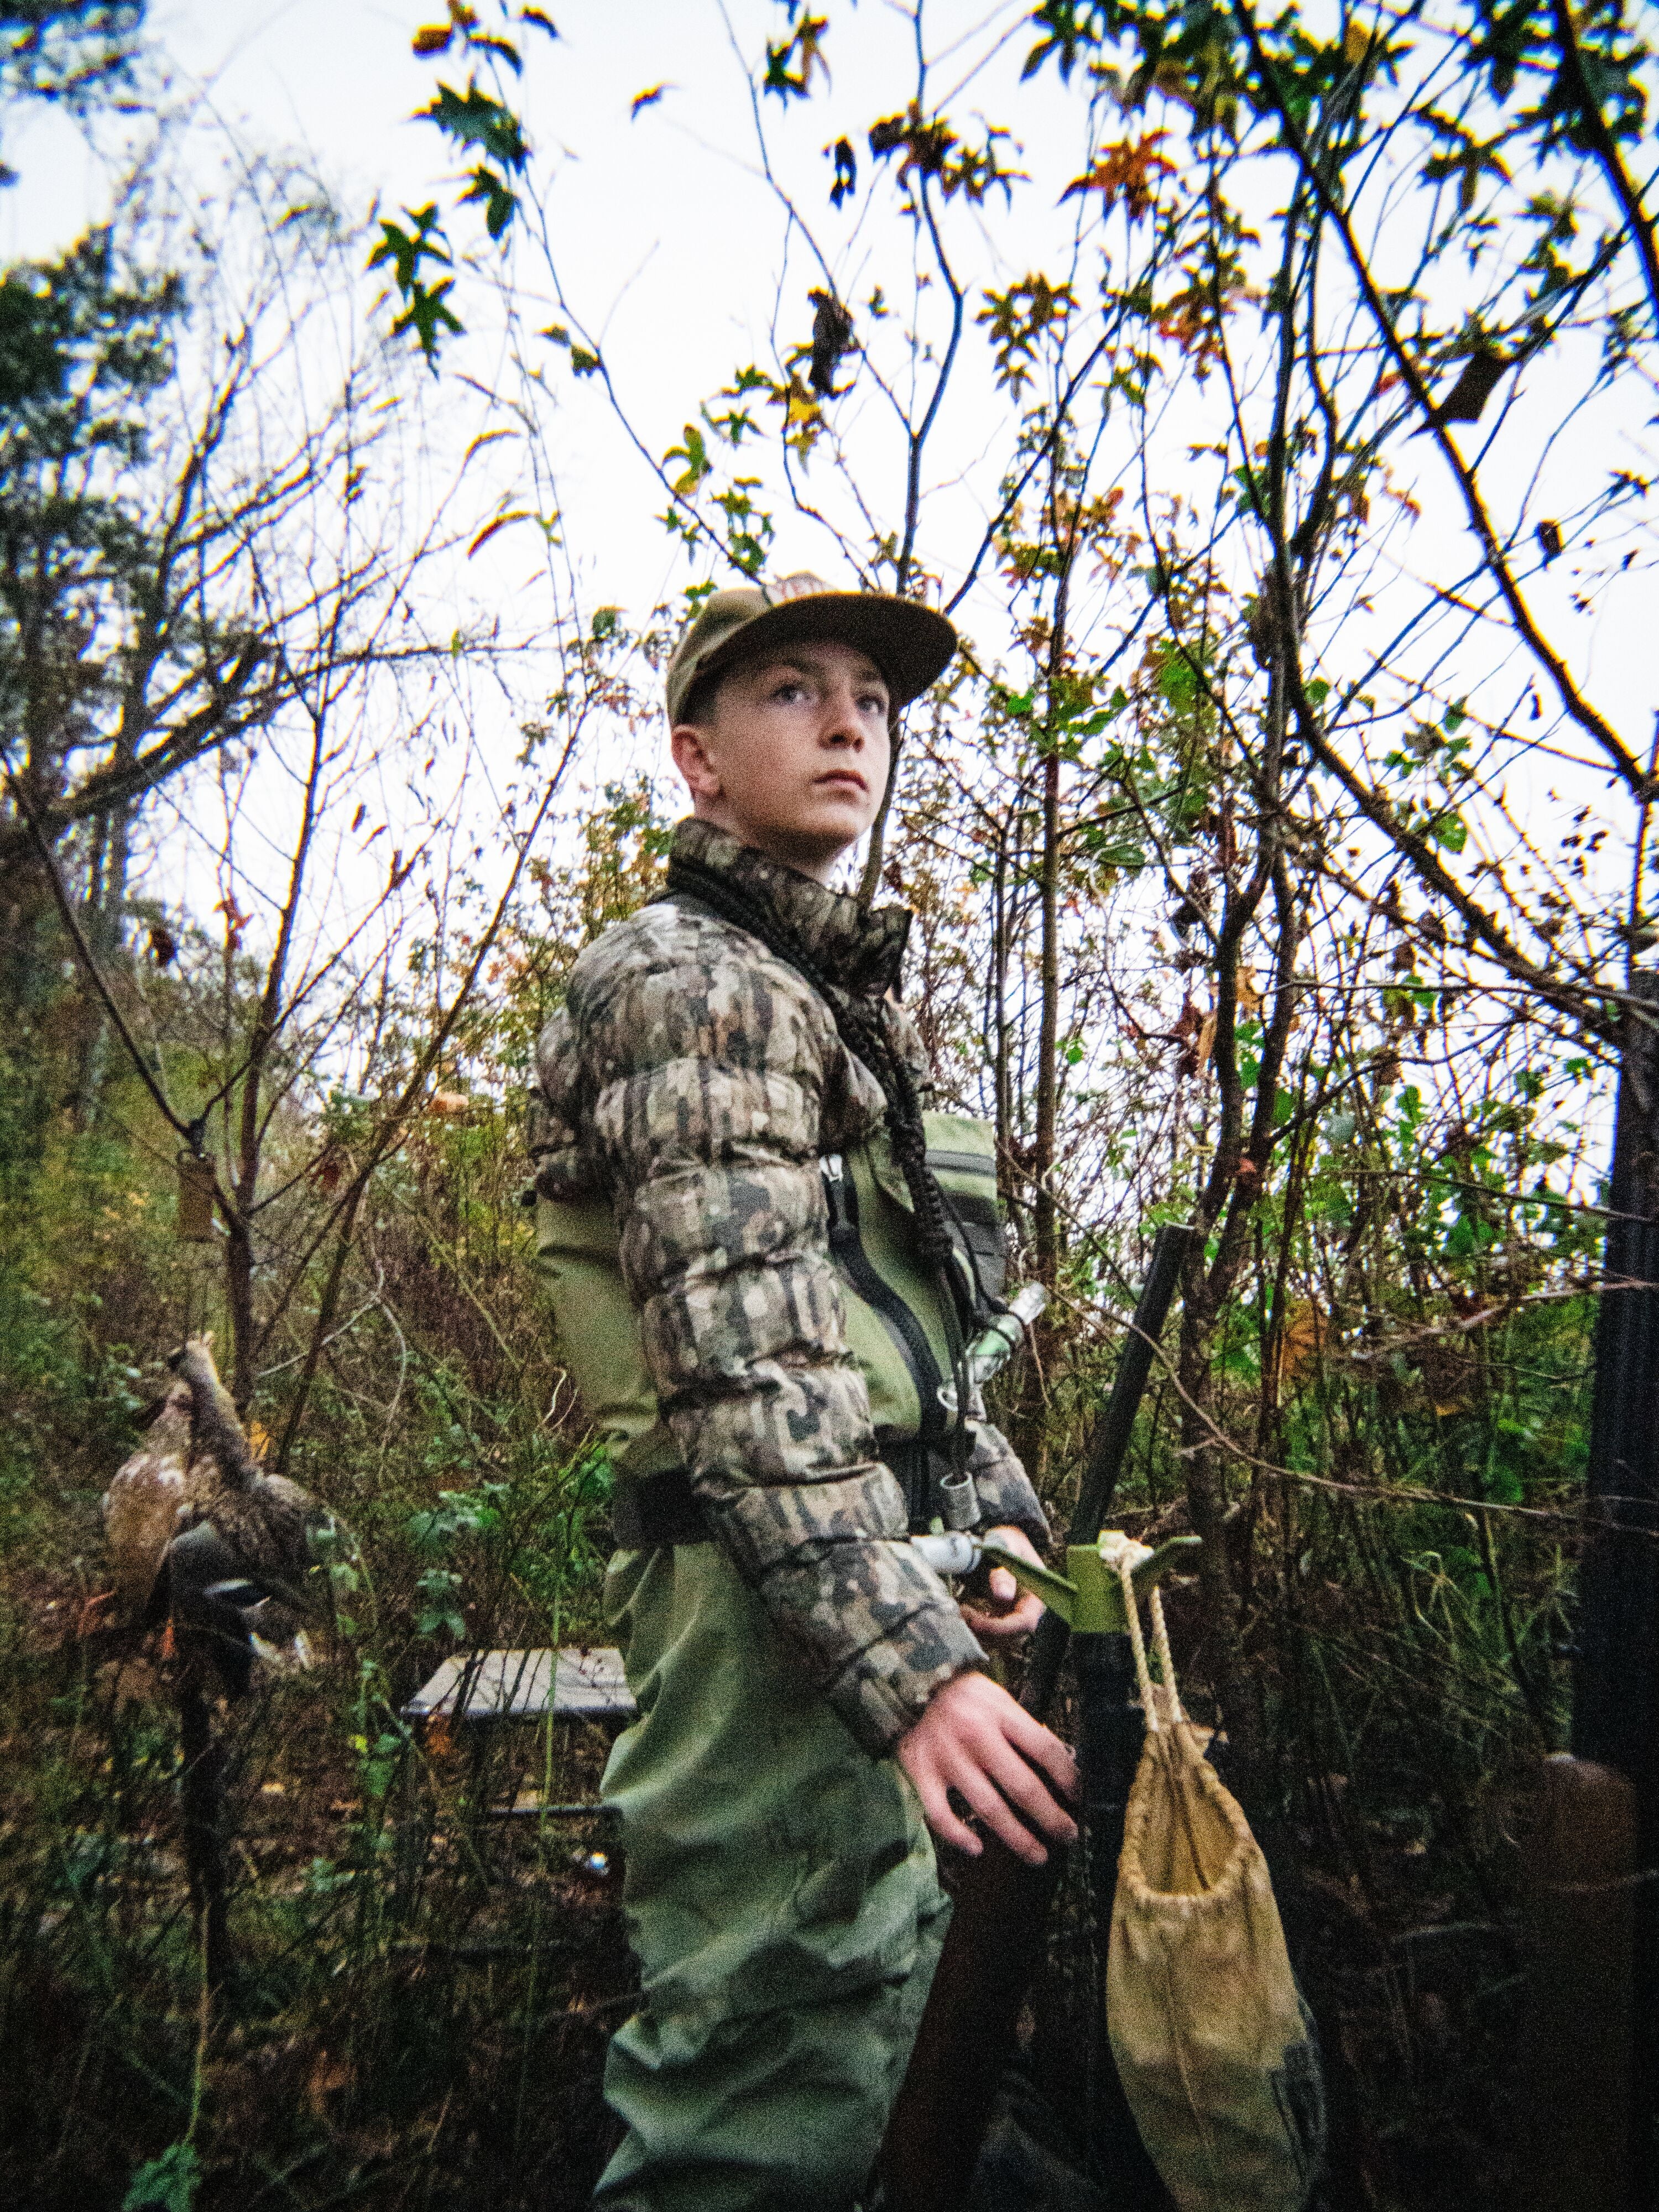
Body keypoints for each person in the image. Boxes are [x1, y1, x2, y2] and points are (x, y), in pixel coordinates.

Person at [528, 573, 1078, 2211]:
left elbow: (906, 1337)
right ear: (696, 760)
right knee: (763, 2079)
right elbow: (749, 1369)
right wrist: (908, 1669)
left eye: (874, 700)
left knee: (870, 2019)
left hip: (854, 1582)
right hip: (762, 1606)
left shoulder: (820, 993)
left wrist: (989, 1521)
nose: (850, 723)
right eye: (793, 690)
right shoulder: (692, 985)